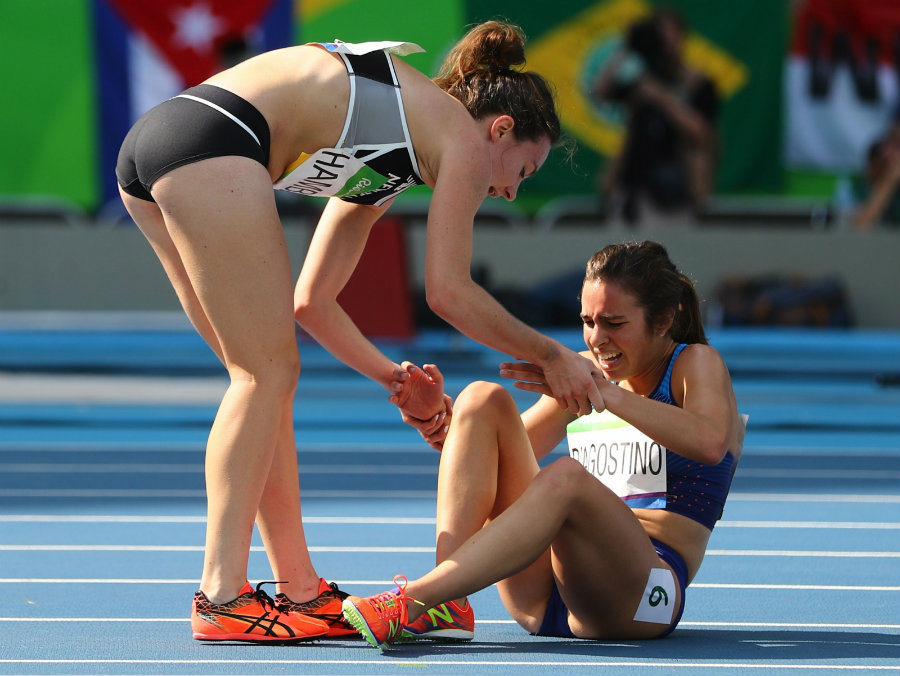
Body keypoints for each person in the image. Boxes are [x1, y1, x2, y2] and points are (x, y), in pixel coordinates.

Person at [115, 20, 603, 643]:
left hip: (164, 142)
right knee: (265, 375)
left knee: (262, 386)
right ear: (500, 130)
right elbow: (448, 292)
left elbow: (313, 301)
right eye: (523, 171)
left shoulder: (393, 154)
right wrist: (553, 354)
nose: (507, 192)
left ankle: (302, 589)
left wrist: (396, 380)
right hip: (213, 140)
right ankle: (220, 595)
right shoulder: (460, 136)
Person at [341, 241, 745, 649]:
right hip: (545, 593)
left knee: (568, 477)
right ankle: (448, 604)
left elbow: (710, 442)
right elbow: (493, 462)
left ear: (663, 320)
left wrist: (609, 395)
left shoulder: (695, 363)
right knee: (482, 399)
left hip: (643, 596)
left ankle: (417, 599)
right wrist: (441, 421)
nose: (597, 338)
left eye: (614, 323)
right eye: (588, 321)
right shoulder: (587, 371)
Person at [591, 9, 718, 225]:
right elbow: (600, 92)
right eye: (659, 36)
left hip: (675, 191)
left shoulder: (697, 83)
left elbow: (700, 132)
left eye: (670, 35)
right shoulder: (640, 80)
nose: (665, 43)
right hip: (631, 188)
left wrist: (661, 99)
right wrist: (627, 48)